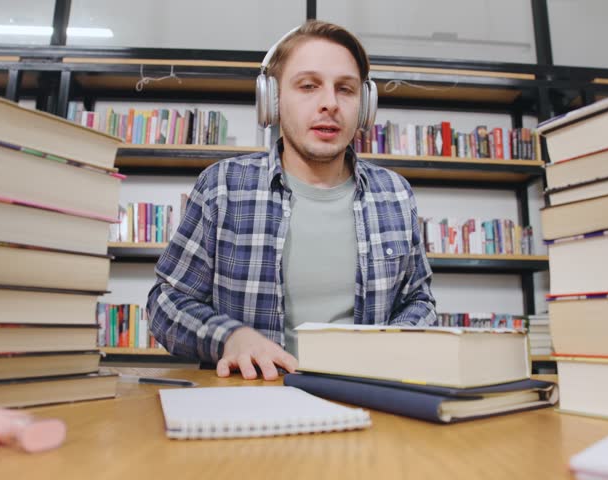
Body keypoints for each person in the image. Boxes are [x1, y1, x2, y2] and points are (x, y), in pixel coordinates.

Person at [147, 20, 436, 381]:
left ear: (365, 108)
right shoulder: (223, 186)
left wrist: (391, 344)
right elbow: (165, 303)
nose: (329, 103)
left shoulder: (395, 194)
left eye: (345, 89)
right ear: (271, 99)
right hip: (252, 404)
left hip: (368, 400)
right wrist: (229, 338)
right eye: (308, 86)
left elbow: (419, 303)